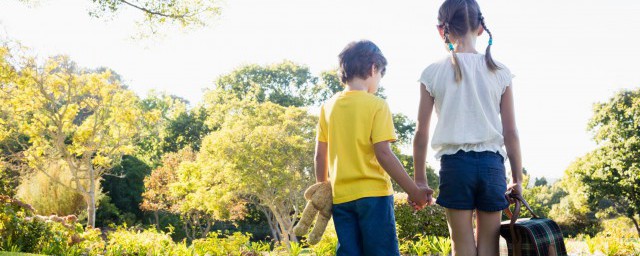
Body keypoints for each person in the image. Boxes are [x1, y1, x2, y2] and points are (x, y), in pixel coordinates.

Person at [412, 0, 524, 255]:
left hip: (454, 167)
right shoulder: (501, 72)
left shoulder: (431, 73)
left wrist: (420, 180)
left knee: (461, 245)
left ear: (442, 30)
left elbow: (421, 133)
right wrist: (517, 179)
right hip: (492, 167)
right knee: (489, 247)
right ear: (481, 28)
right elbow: (511, 133)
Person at [315, 40, 432, 255]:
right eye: (380, 76)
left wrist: (322, 188)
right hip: (374, 197)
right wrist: (414, 191)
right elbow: (384, 154)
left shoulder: (327, 107)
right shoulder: (377, 105)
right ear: (373, 68)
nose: (378, 82)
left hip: (341, 199)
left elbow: (320, 155)